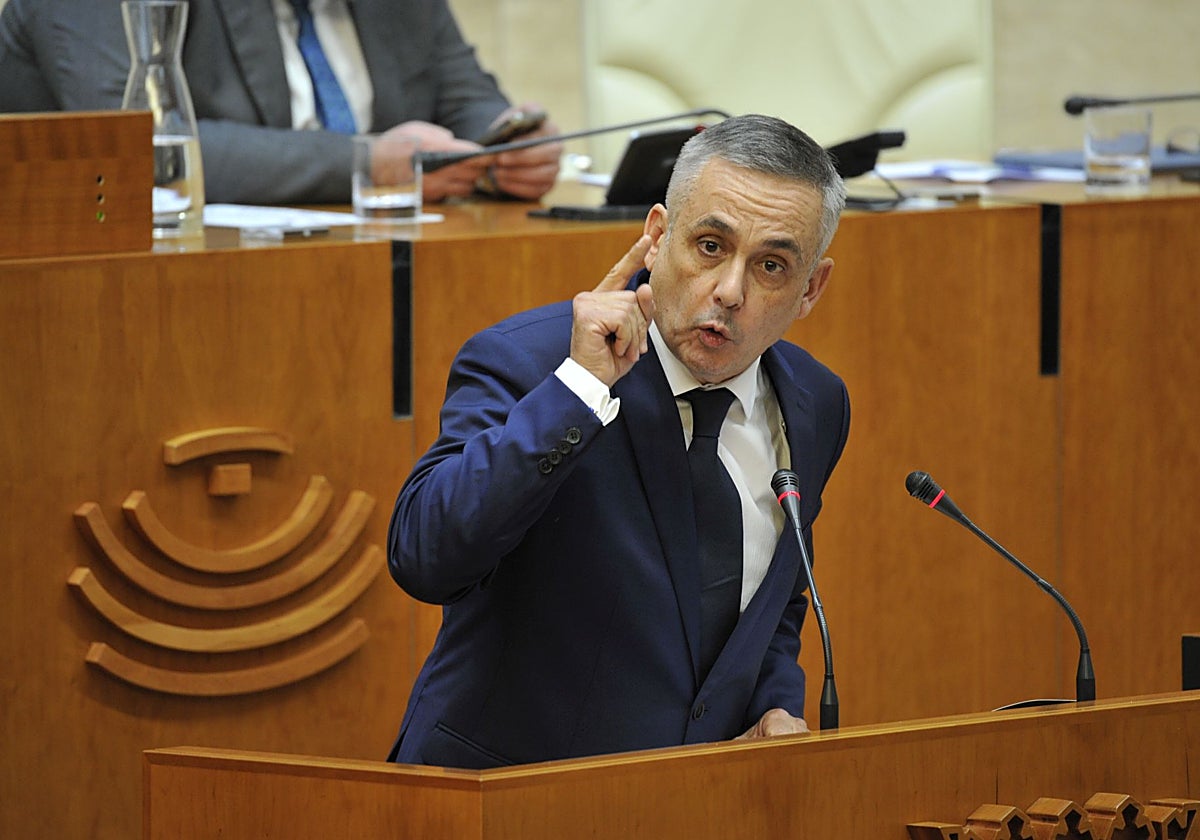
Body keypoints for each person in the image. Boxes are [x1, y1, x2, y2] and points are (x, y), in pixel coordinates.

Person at [385, 113, 850, 768]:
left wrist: (776, 704)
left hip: (679, 808)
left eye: (771, 265)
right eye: (710, 246)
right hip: (503, 800)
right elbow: (425, 557)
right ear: (657, 238)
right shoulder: (528, 364)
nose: (729, 291)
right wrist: (576, 390)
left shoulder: (815, 404)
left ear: (811, 289)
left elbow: (775, 600)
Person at [0, 0, 561, 205]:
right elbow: (139, 147)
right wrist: (367, 165)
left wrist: (510, 144)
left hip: (376, 285)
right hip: (104, 300)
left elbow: (465, 94)